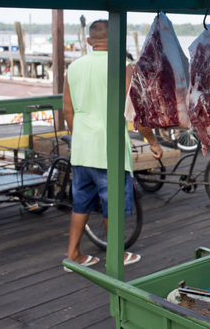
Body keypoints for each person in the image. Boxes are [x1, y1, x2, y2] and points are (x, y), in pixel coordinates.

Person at [63, 20, 163, 270]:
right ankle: (116, 255)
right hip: (109, 150)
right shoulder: (124, 68)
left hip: (82, 149)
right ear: (117, 40)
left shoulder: (73, 68)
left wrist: (80, 138)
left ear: (89, 41)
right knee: (113, 202)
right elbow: (136, 113)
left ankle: (72, 255)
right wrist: (153, 141)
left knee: (81, 203)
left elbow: (67, 111)